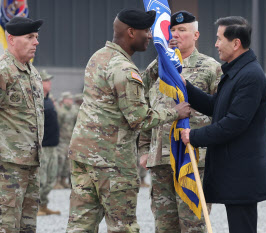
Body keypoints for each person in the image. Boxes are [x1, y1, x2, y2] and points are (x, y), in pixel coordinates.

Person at [66, 8, 191, 233]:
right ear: (131, 32)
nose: (150, 36)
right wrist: (176, 112)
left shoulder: (100, 56)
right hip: (111, 161)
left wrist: (159, 62)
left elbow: (127, 88)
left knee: (80, 225)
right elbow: (139, 118)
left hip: (84, 155)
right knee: (123, 227)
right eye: (146, 30)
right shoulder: (124, 68)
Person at [180, 16, 266, 233]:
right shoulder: (236, 72)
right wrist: (185, 86)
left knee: (242, 228)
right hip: (234, 171)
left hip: (242, 173)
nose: (215, 44)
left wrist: (194, 137)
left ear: (235, 43)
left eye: (219, 39)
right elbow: (217, 106)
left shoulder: (250, 76)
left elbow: (235, 122)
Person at [139, 10, 222, 233]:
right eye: (172, 30)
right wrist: (143, 149)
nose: (175, 34)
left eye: (182, 30)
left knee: (193, 224)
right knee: (164, 226)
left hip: (193, 158)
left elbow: (220, 111)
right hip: (161, 158)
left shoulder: (210, 67)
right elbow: (144, 106)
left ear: (196, 35)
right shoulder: (157, 68)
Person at [0, 17, 44, 232]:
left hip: (31, 164)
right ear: (11, 39)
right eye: (29, 37)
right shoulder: (3, 71)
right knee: (6, 225)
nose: (36, 42)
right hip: (7, 168)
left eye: (36, 37)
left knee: (28, 226)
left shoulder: (33, 73)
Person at [37, 70, 61, 216]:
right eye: (46, 80)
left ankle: (44, 205)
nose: (49, 82)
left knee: (51, 178)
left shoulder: (49, 99)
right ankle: (36, 207)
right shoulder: (37, 99)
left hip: (53, 145)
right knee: (42, 179)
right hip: (43, 146)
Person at [55, 91, 76, 189]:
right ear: (63, 100)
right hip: (61, 140)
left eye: (71, 99)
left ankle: (64, 180)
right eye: (68, 99)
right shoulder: (60, 111)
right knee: (60, 159)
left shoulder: (73, 111)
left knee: (68, 161)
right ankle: (56, 181)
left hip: (70, 140)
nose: (70, 101)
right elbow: (56, 126)